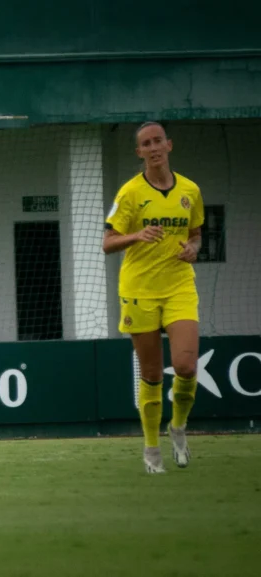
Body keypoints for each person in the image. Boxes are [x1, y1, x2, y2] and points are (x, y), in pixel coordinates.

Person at [104, 121, 202, 474]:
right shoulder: (129, 193)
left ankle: (178, 427)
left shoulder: (190, 189)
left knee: (186, 366)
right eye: (146, 143)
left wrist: (193, 249)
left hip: (179, 286)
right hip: (139, 290)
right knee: (150, 375)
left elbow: (196, 235)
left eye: (158, 140)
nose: (154, 147)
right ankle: (151, 450)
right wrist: (136, 235)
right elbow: (107, 242)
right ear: (139, 152)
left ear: (169, 145)